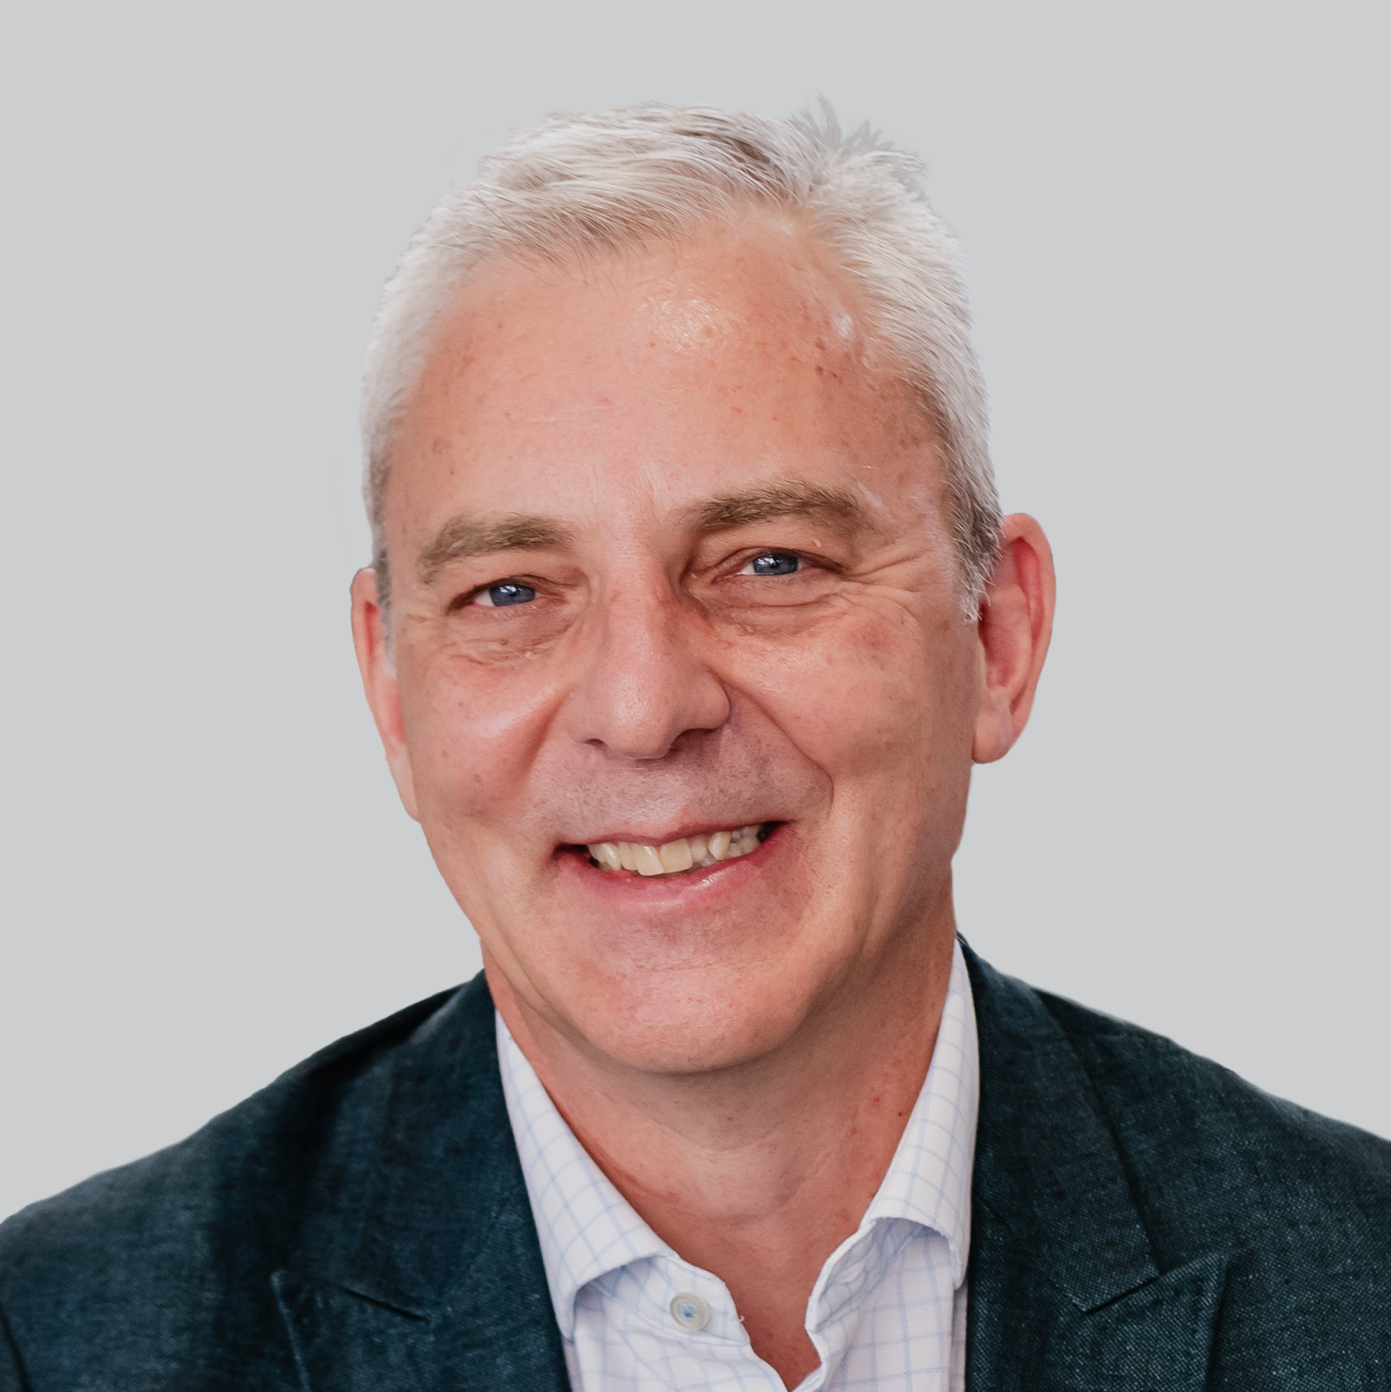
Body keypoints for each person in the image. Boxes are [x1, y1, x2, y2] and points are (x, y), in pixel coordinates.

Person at [1, 104, 1387, 1392]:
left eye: (770, 561)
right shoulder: (60, 1343)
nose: (644, 706)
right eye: (510, 592)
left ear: (996, 636)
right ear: (391, 689)